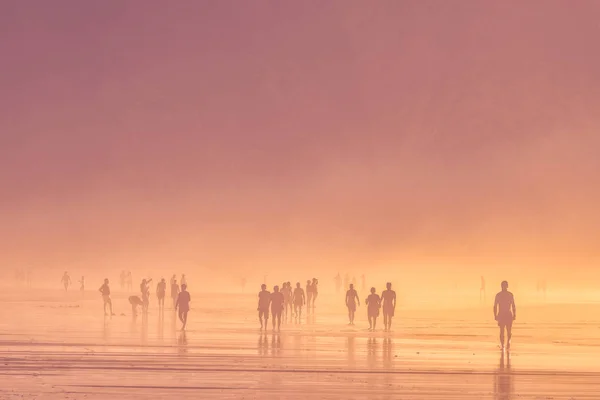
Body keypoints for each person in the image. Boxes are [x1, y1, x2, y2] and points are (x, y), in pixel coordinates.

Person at [494, 281, 516, 351]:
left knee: (506, 331)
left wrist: (495, 315)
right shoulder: (507, 295)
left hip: (504, 314)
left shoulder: (500, 295)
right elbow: (495, 306)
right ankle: (504, 344)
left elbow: (513, 305)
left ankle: (506, 343)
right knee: (503, 331)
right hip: (505, 314)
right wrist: (495, 315)